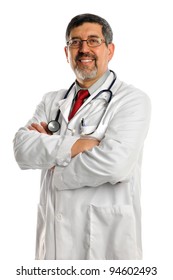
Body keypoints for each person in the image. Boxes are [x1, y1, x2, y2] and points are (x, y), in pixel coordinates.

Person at [13, 13, 151, 260]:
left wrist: (53, 160)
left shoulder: (132, 100)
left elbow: (115, 165)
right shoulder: (52, 100)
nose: (83, 49)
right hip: (52, 244)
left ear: (110, 50)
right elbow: (22, 149)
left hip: (105, 243)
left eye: (93, 40)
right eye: (74, 42)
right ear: (66, 52)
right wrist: (80, 145)